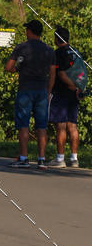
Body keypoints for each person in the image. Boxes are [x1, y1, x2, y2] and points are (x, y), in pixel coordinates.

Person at [5, 20, 55, 170]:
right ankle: (41, 160)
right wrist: (48, 91)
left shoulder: (22, 47)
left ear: (30, 31)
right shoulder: (49, 50)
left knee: (23, 125)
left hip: (25, 90)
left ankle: (24, 158)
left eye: (27, 29)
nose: (26, 32)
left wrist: (17, 69)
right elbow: (52, 73)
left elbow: (9, 67)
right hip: (42, 91)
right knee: (42, 126)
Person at [48, 26, 81, 169]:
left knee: (60, 126)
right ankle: (74, 159)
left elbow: (60, 74)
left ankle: (60, 158)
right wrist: (78, 87)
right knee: (72, 125)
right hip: (74, 94)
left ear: (57, 39)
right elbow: (80, 73)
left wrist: (49, 91)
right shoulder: (75, 52)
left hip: (61, 93)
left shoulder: (57, 53)